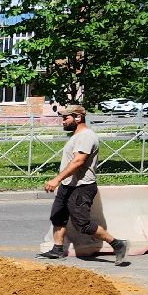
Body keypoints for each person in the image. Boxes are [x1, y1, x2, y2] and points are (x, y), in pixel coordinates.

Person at [37, 104, 129, 263]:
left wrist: (56, 179)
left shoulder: (86, 136)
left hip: (81, 187)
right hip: (68, 185)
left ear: (78, 118)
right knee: (58, 216)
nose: (63, 122)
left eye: (66, 118)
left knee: (83, 224)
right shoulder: (76, 135)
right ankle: (57, 249)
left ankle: (118, 244)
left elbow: (78, 161)